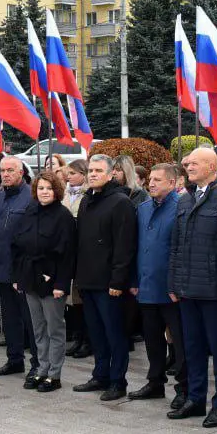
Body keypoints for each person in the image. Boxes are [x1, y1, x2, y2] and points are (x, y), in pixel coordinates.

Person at [167, 148, 217, 428]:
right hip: (187, 289)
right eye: (187, 163)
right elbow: (176, 246)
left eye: (195, 163)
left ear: (212, 166)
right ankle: (195, 399)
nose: (188, 167)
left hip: (215, 292)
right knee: (192, 348)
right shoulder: (185, 199)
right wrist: (173, 283)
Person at [73, 154, 137, 400]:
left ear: (111, 174)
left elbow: (125, 246)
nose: (93, 174)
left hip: (110, 284)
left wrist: (117, 282)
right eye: (90, 170)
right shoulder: (87, 200)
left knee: (114, 335)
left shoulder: (120, 202)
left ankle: (117, 382)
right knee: (96, 333)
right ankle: (100, 375)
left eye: (98, 170)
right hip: (88, 280)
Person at [14, 171, 76, 392]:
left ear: (56, 190)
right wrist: (18, 278)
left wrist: (61, 284)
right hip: (30, 279)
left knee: (54, 329)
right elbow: (19, 247)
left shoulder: (64, 216)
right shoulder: (30, 212)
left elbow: (68, 255)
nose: (44, 192)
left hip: (53, 282)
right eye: (41, 188)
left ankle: (54, 375)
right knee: (38, 329)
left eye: (49, 188)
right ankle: (41, 369)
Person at [130, 164, 186, 406]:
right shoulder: (142, 209)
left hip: (173, 289)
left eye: (157, 180)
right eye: (150, 179)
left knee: (181, 342)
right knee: (152, 338)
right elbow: (135, 247)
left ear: (172, 183)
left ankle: (184, 388)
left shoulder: (183, 208)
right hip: (147, 286)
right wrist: (134, 280)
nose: (151, 183)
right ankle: (155, 382)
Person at [0, 155, 38, 379]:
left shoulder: (31, 197)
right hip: (3, 269)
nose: (6, 174)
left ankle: (38, 363)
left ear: (21, 172)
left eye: (11, 170)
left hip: (24, 271)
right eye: (3, 170)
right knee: (9, 319)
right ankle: (14, 360)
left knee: (31, 320)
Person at [62, 159, 90, 359]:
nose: (68, 176)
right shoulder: (65, 192)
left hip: (82, 251)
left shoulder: (87, 194)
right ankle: (78, 338)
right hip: (68, 251)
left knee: (83, 300)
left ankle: (87, 341)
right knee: (74, 302)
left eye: (72, 173)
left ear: (83, 173)